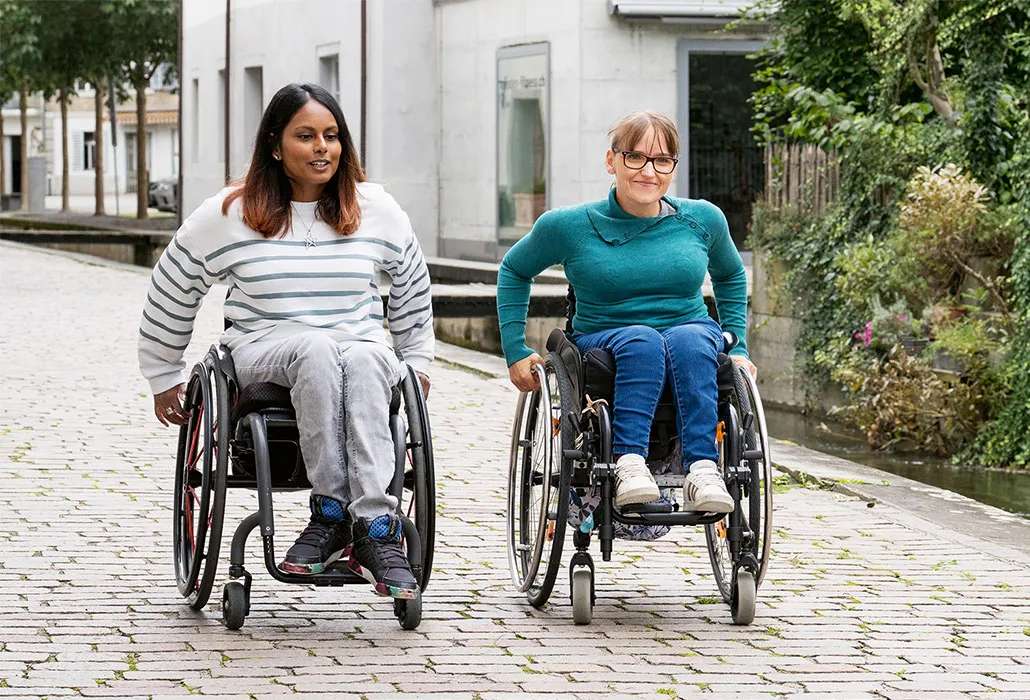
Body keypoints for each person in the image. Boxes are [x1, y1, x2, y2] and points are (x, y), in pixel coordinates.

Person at [138, 83, 433, 600]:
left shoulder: (375, 208)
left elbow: (411, 283)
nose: (323, 147)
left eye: (332, 136)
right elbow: (174, 283)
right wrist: (164, 372)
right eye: (306, 136)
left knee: (364, 357)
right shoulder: (230, 212)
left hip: (357, 347)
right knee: (315, 348)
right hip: (263, 347)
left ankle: (375, 530)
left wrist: (417, 360)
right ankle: (331, 512)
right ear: (275, 145)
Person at [497, 110, 756, 513]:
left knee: (690, 339)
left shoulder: (703, 219)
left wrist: (738, 346)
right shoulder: (568, 225)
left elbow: (731, 275)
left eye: (661, 160)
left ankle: (703, 469)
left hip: (689, 330)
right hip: (605, 335)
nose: (648, 172)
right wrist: (514, 348)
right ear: (611, 160)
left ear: (672, 167)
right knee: (643, 339)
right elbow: (514, 268)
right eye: (635, 157)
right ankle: (628, 463)